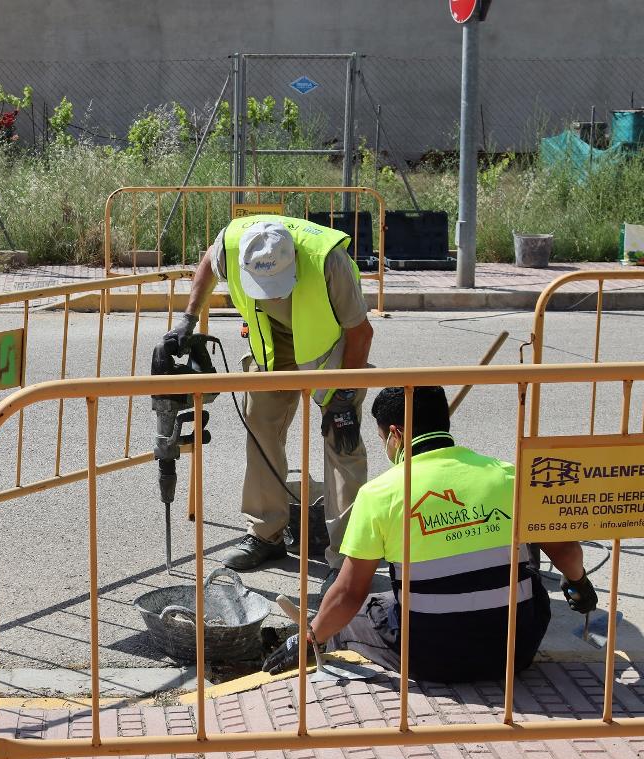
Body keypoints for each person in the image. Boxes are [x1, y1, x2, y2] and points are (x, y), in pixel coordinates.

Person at [262, 386, 598, 682]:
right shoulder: (508, 475)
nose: (386, 447)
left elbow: (348, 594)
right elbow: (566, 551)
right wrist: (579, 585)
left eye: (383, 440)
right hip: (516, 651)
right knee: (528, 580)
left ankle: (318, 645)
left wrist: (309, 637)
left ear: (396, 434)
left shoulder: (381, 494)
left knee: (359, 613)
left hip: (433, 660)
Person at [167, 215, 373, 573]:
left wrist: (346, 389)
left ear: (293, 260)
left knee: (343, 442)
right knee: (261, 427)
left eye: (279, 284)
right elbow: (208, 262)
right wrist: (187, 317)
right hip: (272, 347)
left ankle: (347, 559)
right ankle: (265, 534)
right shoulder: (233, 245)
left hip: (332, 345)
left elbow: (361, 333)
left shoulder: (328, 261)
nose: (273, 293)